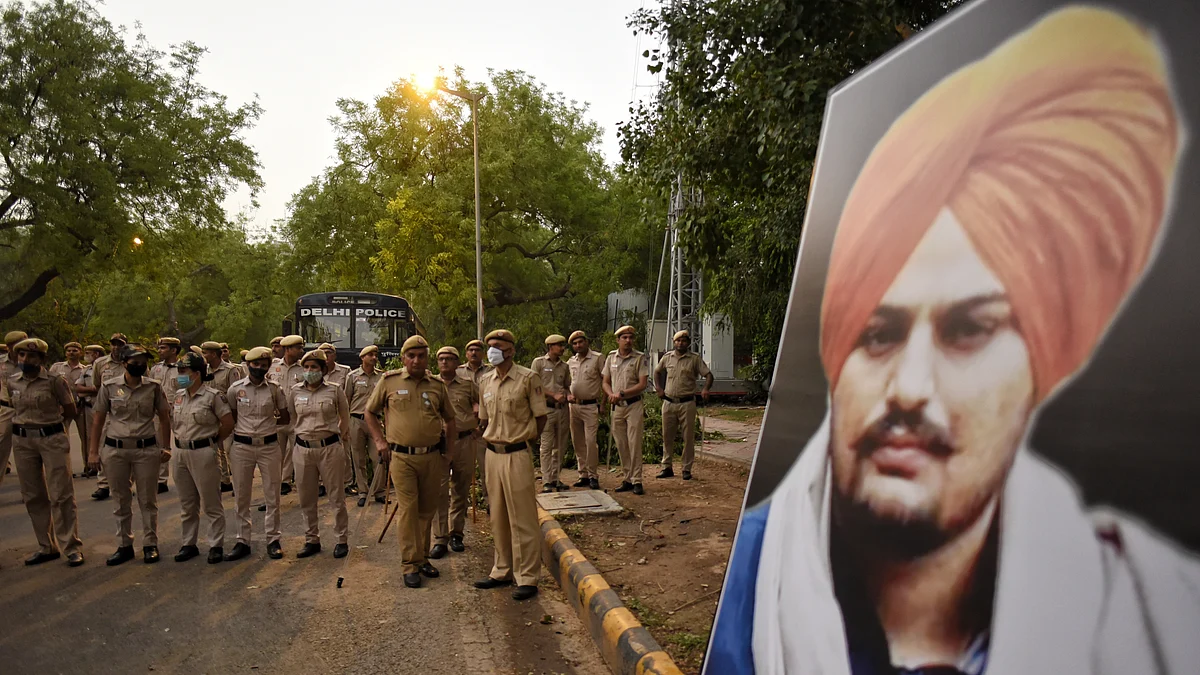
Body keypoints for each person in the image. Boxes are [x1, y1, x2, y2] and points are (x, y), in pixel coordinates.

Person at [708, 8, 1200, 674]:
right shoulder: (758, 577)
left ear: (1045, 362)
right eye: (877, 333)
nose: (910, 386)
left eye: (969, 329)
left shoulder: (1154, 615)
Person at [364, 335, 456, 588]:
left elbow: (450, 420)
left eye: (421, 356)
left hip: (432, 456)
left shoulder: (437, 386)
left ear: (427, 357)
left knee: (426, 510)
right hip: (401, 457)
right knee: (408, 509)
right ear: (403, 358)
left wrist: (448, 452)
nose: (416, 360)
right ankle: (409, 564)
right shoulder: (389, 381)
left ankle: (422, 557)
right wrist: (380, 442)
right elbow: (369, 412)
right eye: (411, 356)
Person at [473, 329, 548, 601]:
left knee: (523, 517)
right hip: (492, 453)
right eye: (489, 345)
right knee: (498, 515)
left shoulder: (528, 378)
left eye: (498, 345)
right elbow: (484, 418)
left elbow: (540, 417)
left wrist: (524, 437)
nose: (492, 349)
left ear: (511, 350)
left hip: (517, 453)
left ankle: (527, 576)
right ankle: (502, 570)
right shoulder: (485, 381)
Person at [88, 343, 171, 566]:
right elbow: (98, 420)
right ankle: (124, 544)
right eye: (135, 362)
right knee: (120, 499)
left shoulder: (153, 387)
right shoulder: (109, 386)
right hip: (115, 450)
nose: (140, 365)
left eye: (143, 362)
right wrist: (93, 452)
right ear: (124, 363)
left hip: (146, 449)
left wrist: (166, 446)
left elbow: (164, 417)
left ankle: (150, 544)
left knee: (148, 499)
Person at [9, 338, 85, 567]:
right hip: (23, 441)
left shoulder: (55, 381)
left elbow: (70, 409)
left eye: (31, 356)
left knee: (61, 493)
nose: (25, 360)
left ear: (41, 359)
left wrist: (55, 430)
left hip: (51, 438)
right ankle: (46, 545)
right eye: (21, 356)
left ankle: (71, 546)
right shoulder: (13, 382)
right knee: (33, 495)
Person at [225, 347, 290, 561]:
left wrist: (266, 426)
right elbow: (232, 416)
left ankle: (273, 539)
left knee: (273, 494)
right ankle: (242, 540)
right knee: (242, 495)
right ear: (247, 365)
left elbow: (285, 416)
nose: (259, 368)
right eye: (256, 365)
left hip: (269, 445)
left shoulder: (274, 389)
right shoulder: (235, 389)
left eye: (264, 365)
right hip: (242, 446)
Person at [288, 348, 351, 559]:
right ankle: (311, 539)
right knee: (306, 498)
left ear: (323, 369)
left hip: (330, 449)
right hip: (303, 449)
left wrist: (337, 438)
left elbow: (345, 417)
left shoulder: (334, 390)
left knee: (336, 496)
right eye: (306, 367)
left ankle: (341, 539)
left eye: (314, 367)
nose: (309, 371)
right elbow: (291, 416)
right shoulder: (295, 391)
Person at [169, 352, 232, 563]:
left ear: (196, 374)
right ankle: (189, 543)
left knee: (211, 502)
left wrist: (212, 442)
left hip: (203, 451)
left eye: (184, 371)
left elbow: (227, 423)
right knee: (187, 503)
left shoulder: (212, 396)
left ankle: (216, 545)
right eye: (178, 371)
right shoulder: (178, 396)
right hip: (180, 452)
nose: (180, 375)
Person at [430, 345, 478, 557]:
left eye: (449, 359)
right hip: (438, 443)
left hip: (464, 441)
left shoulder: (468, 385)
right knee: (438, 491)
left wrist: (478, 425)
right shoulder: (430, 384)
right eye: (441, 359)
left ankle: (456, 533)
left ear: (457, 363)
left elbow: (482, 406)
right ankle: (440, 538)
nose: (444, 362)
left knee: (460, 487)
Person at [654, 330, 713, 481]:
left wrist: (705, 389)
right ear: (674, 342)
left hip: (687, 403)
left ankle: (686, 468)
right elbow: (657, 372)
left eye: (684, 341)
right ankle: (666, 466)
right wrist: (659, 388)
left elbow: (708, 375)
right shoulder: (667, 357)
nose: (681, 343)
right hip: (668, 402)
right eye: (678, 341)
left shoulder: (694, 359)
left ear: (688, 343)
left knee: (688, 437)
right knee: (667, 436)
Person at [602, 325, 649, 495]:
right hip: (617, 407)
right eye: (624, 338)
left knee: (634, 443)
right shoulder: (610, 358)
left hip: (633, 405)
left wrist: (622, 393)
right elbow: (605, 381)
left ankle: (637, 480)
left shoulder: (639, 358)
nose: (628, 341)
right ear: (618, 340)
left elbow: (642, 384)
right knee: (621, 443)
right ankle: (627, 478)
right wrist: (610, 394)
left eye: (630, 338)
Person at [88, 333, 129, 501]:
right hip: (107, 408)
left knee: (127, 447)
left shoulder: (131, 361)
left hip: (127, 410)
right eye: (113, 344)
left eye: (120, 344)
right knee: (104, 446)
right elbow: (97, 385)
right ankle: (103, 484)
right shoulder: (100, 363)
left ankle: (125, 483)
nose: (116, 347)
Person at [343, 345, 385, 507]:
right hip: (356, 420)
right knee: (358, 458)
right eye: (370, 355)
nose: (374, 357)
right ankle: (363, 492)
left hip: (375, 421)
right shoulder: (352, 377)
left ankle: (379, 492)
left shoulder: (381, 377)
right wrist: (345, 425)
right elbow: (346, 401)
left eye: (375, 355)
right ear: (362, 358)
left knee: (378, 458)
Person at [531, 334, 571, 493]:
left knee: (560, 446)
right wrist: (552, 395)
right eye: (559, 345)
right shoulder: (538, 363)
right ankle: (547, 480)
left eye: (562, 345)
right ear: (550, 347)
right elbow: (533, 385)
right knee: (546, 446)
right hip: (546, 409)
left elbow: (567, 385)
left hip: (562, 410)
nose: (562, 348)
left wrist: (568, 395)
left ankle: (556, 478)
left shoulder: (565, 366)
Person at [566, 331, 604, 490]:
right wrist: (568, 395)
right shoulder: (570, 361)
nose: (578, 345)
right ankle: (583, 475)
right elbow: (566, 383)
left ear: (586, 342)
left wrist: (603, 404)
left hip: (590, 406)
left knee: (590, 442)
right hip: (574, 406)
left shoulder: (597, 358)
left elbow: (605, 381)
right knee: (578, 441)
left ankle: (593, 475)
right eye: (575, 344)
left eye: (580, 342)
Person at [268, 334, 306, 494]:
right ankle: (276, 483)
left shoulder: (304, 368)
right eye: (298, 348)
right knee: (276, 453)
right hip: (276, 417)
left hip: (296, 417)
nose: (301, 351)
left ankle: (287, 480)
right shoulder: (272, 366)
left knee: (296, 451)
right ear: (288, 349)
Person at [457, 339, 493, 501]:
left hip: (487, 426)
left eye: (477, 350)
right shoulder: (458, 372)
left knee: (487, 467)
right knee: (462, 469)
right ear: (466, 354)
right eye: (470, 350)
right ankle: (461, 503)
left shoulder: (491, 372)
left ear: (483, 353)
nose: (474, 353)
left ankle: (489, 501)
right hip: (464, 427)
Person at [201, 340, 237, 493]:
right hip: (210, 415)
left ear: (214, 354)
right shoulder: (205, 370)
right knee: (215, 449)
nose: (203, 356)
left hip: (227, 414)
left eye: (205, 353)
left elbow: (235, 392)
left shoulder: (230, 370)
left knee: (230, 451)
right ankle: (224, 480)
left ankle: (238, 481)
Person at [149, 336, 183, 493]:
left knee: (182, 443)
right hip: (159, 411)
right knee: (160, 444)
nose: (159, 351)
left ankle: (184, 476)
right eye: (159, 348)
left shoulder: (182, 368)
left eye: (163, 348)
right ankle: (161, 480)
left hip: (178, 410)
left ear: (174, 350)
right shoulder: (155, 369)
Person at [49, 341, 88, 471]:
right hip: (62, 408)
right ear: (65, 353)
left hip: (81, 406)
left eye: (75, 350)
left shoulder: (85, 369)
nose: (71, 353)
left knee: (86, 437)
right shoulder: (57, 367)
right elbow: (48, 385)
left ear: (80, 353)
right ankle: (65, 467)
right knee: (62, 438)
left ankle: (89, 466)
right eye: (69, 351)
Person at [1, 330, 30, 488]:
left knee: (29, 451)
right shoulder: (1, 363)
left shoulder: (31, 362)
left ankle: (31, 489)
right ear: (9, 347)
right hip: (6, 408)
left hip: (27, 408)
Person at [74, 344, 106, 478]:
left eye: (88, 352)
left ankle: (104, 468)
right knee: (88, 437)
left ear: (97, 354)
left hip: (105, 408)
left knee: (104, 438)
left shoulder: (106, 368)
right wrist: (92, 390)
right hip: (89, 406)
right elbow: (78, 387)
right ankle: (90, 465)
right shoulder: (86, 369)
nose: (85, 355)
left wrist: (93, 390)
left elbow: (105, 389)